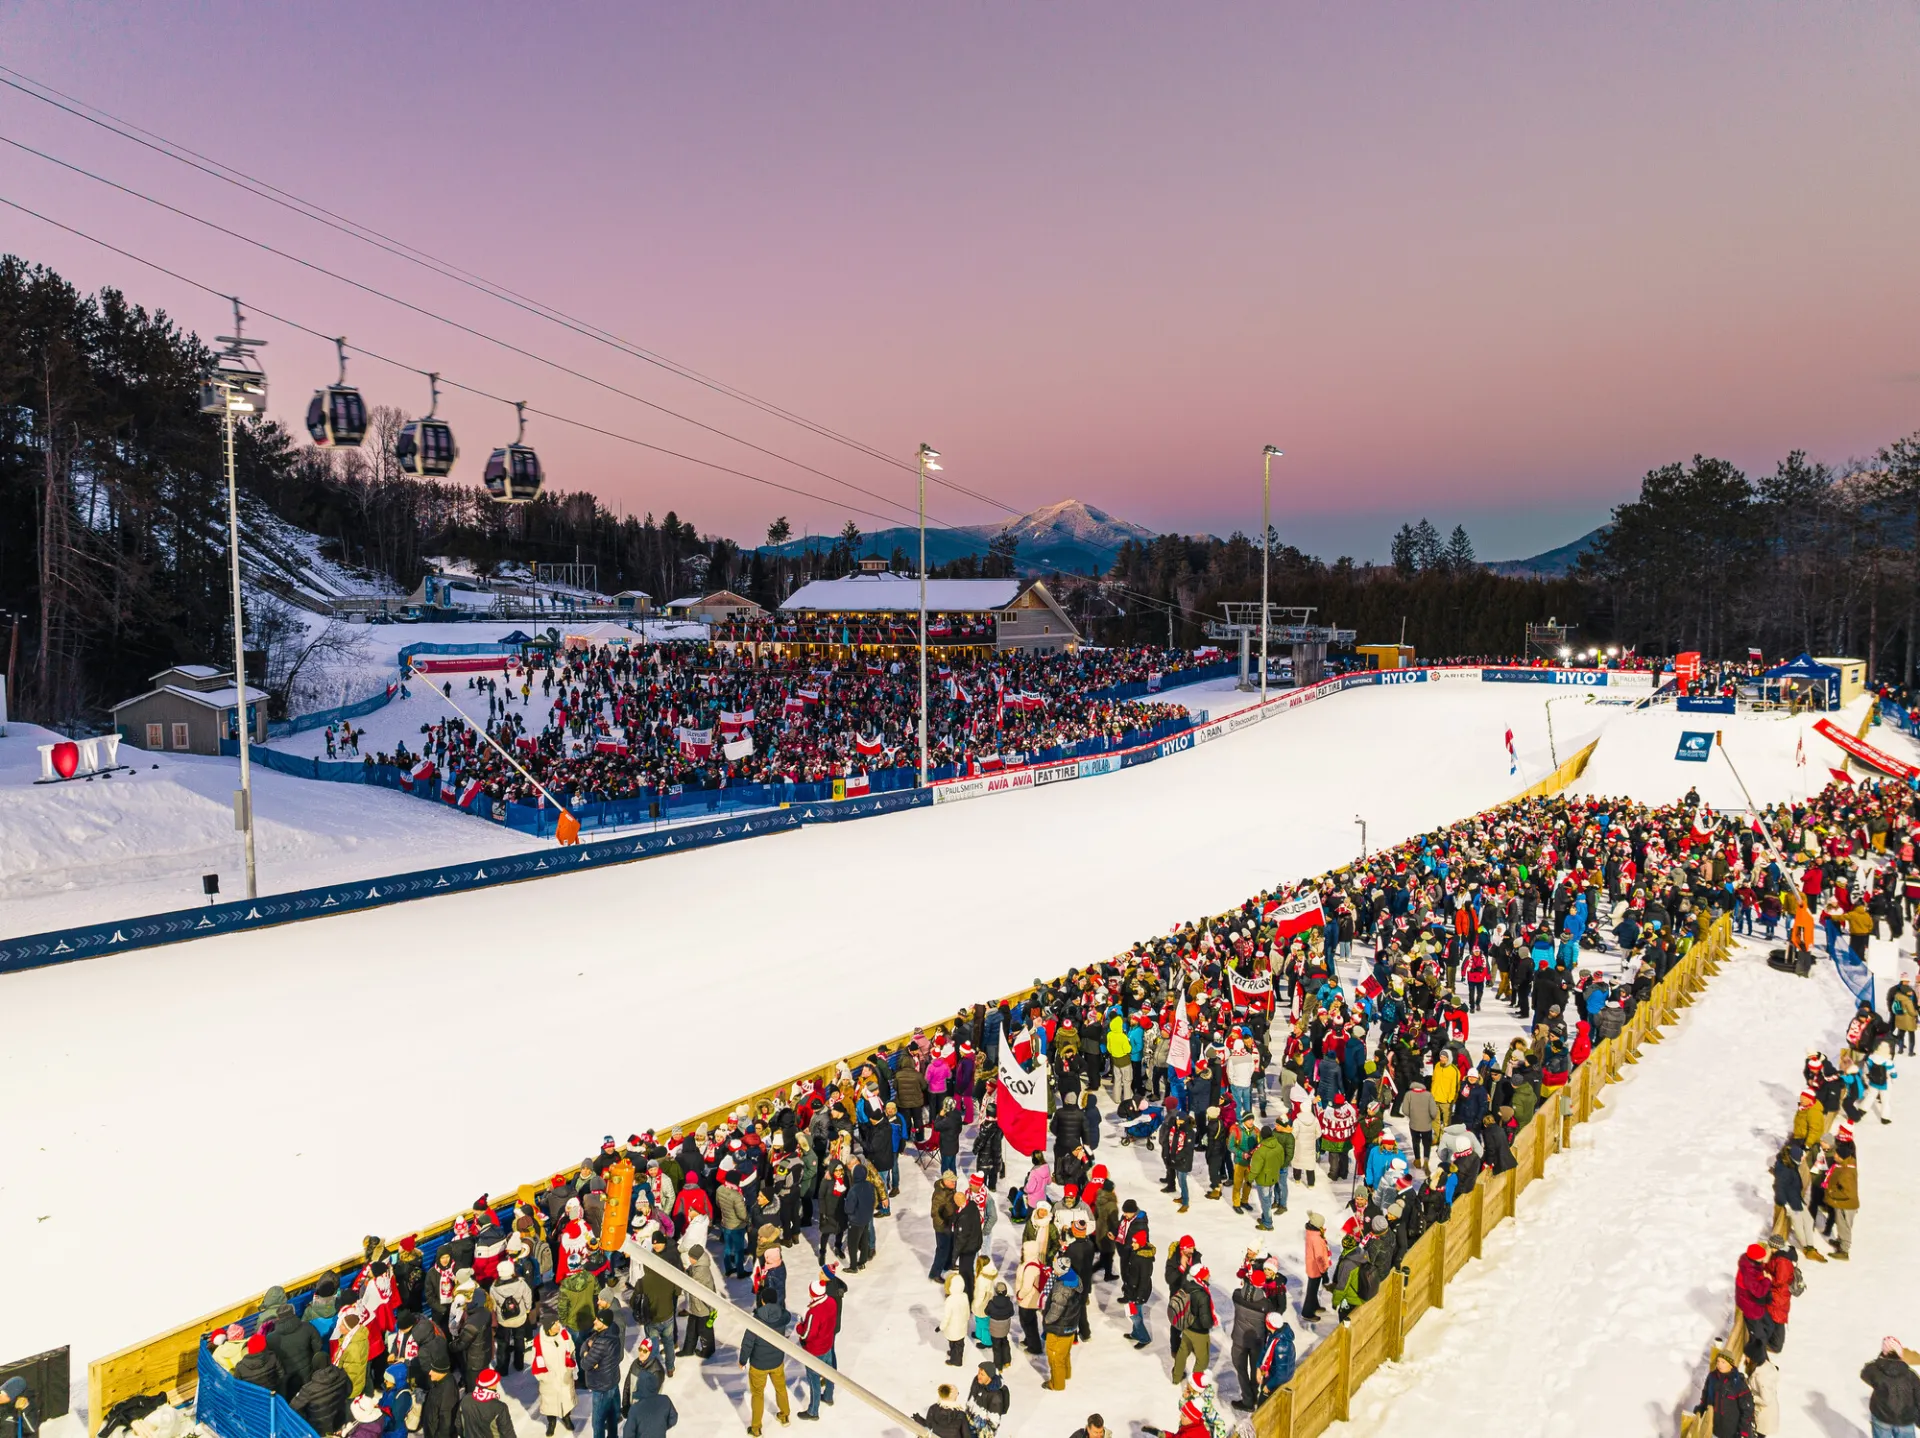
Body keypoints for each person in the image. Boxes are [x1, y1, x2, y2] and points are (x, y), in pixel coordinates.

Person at [741, 1299, 792, 1435]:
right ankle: (785, 1415)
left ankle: (756, 1428)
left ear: (762, 1301)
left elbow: (747, 1344)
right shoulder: (782, 1317)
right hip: (777, 1362)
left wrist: (742, 1360)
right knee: (781, 1388)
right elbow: (788, 1317)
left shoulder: (755, 1322)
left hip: (759, 1365)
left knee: (757, 1395)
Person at [793, 1277, 837, 1420]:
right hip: (828, 1345)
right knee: (830, 1372)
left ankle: (813, 1411)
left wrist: (799, 1326)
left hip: (815, 1350)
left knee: (814, 1380)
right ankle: (829, 1396)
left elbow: (807, 1334)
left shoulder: (814, 1312)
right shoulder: (831, 1301)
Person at [531, 1319, 578, 1436]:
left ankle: (566, 1418)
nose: (559, 1325)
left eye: (558, 1323)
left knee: (566, 1399)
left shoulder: (565, 1335)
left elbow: (571, 1349)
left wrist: (571, 1366)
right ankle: (551, 1423)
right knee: (550, 1403)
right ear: (548, 1327)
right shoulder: (539, 1341)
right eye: (555, 1323)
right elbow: (536, 1361)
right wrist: (544, 1377)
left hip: (565, 1376)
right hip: (549, 1380)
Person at [1694, 1352, 1755, 1438]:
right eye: (1718, 1361)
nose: (1719, 1365)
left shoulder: (1737, 1382)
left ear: (1731, 1365)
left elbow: (1747, 1409)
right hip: (1714, 1429)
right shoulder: (1712, 1377)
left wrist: (1743, 1431)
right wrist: (1701, 1409)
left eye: (1723, 1362)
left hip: (1732, 1431)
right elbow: (1706, 1396)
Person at [1042, 1267, 1085, 1391]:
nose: (1054, 1272)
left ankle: (1057, 1384)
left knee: (1055, 1357)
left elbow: (1055, 1311)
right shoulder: (1076, 1280)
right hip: (1070, 1326)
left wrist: (1046, 1320)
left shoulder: (1061, 1288)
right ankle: (1066, 1374)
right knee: (1065, 1353)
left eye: (1056, 1270)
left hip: (1058, 1329)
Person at [457, 1369, 515, 1438]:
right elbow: (508, 1434)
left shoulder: (466, 1399)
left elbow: (458, 1424)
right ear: (490, 1385)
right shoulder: (499, 1407)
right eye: (495, 1382)